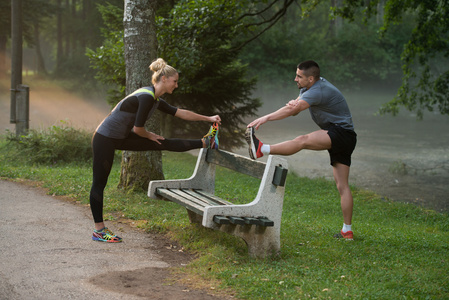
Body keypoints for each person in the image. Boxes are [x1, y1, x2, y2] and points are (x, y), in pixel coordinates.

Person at [90, 58, 221, 243]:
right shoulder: (146, 97)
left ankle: (206, 143)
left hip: (120, 136)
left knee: (162, 142)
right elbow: (138, 129)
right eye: (175, 81)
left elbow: (181, 112)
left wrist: (208, 118)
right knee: (99, 183)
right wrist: (150, 135)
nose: (176, 85)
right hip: (104, 139)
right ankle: (99, 230)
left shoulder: (156, 100)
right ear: (164, 78)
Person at [246, 60, 357, 240]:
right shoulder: (309, 88)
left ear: (311, 78)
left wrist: (265, 118)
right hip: (345, 136)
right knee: (342, 186)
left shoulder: (317, 90)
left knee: (302, 140)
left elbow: (291, 111)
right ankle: (347, 231)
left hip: (340, 133)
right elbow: (295, 110)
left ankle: (261, 149)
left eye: (299, 76)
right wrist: (296, 104)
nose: (295, 79)